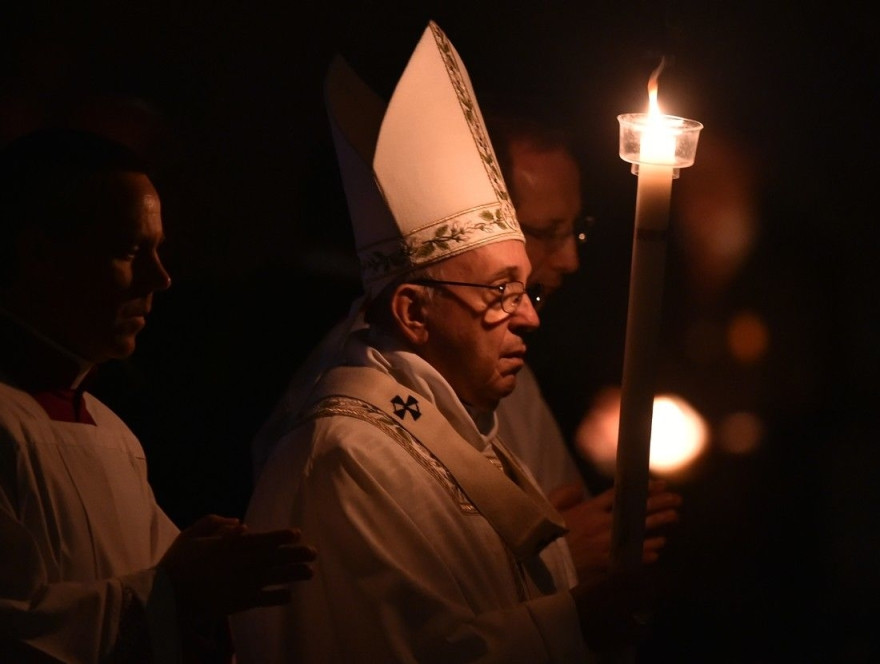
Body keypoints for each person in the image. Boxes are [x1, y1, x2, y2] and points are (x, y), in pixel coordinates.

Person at [232, 22, 669, 662]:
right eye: (500, 293)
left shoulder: (463, 425)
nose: (530, 319)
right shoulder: (351, 457)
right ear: (413, 311)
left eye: (526, 291)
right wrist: (570, 619)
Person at [0, 128, 316, 662]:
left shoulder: (110, 431)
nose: (161, 278)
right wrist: (179, 593)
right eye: (129, 251)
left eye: (159, 251)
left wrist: (205, 574)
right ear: (37, 254)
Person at [487, 116, 681, 582]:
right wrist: (551, 565)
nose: (571, 259)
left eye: (575, 230)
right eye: (547, 231)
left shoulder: (517, 384)